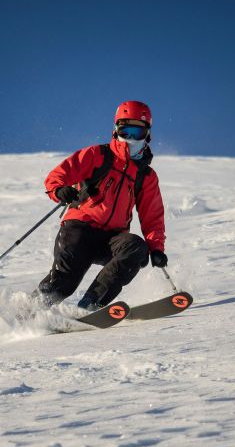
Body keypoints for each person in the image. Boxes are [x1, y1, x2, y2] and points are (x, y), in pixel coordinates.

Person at [36, 100, 168, 311]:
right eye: (126, 131)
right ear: (115, 130)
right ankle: (28, 313)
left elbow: (152, 216)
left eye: (138, 132)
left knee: (136, 247)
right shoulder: (98, 155)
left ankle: (90, 305)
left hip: (112, 238)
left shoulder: (146, 176)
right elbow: (59, 175)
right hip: (80, 230)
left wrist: (156, 248)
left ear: (148, 134)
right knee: (63, 285)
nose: (131, 138)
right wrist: (59, 189)